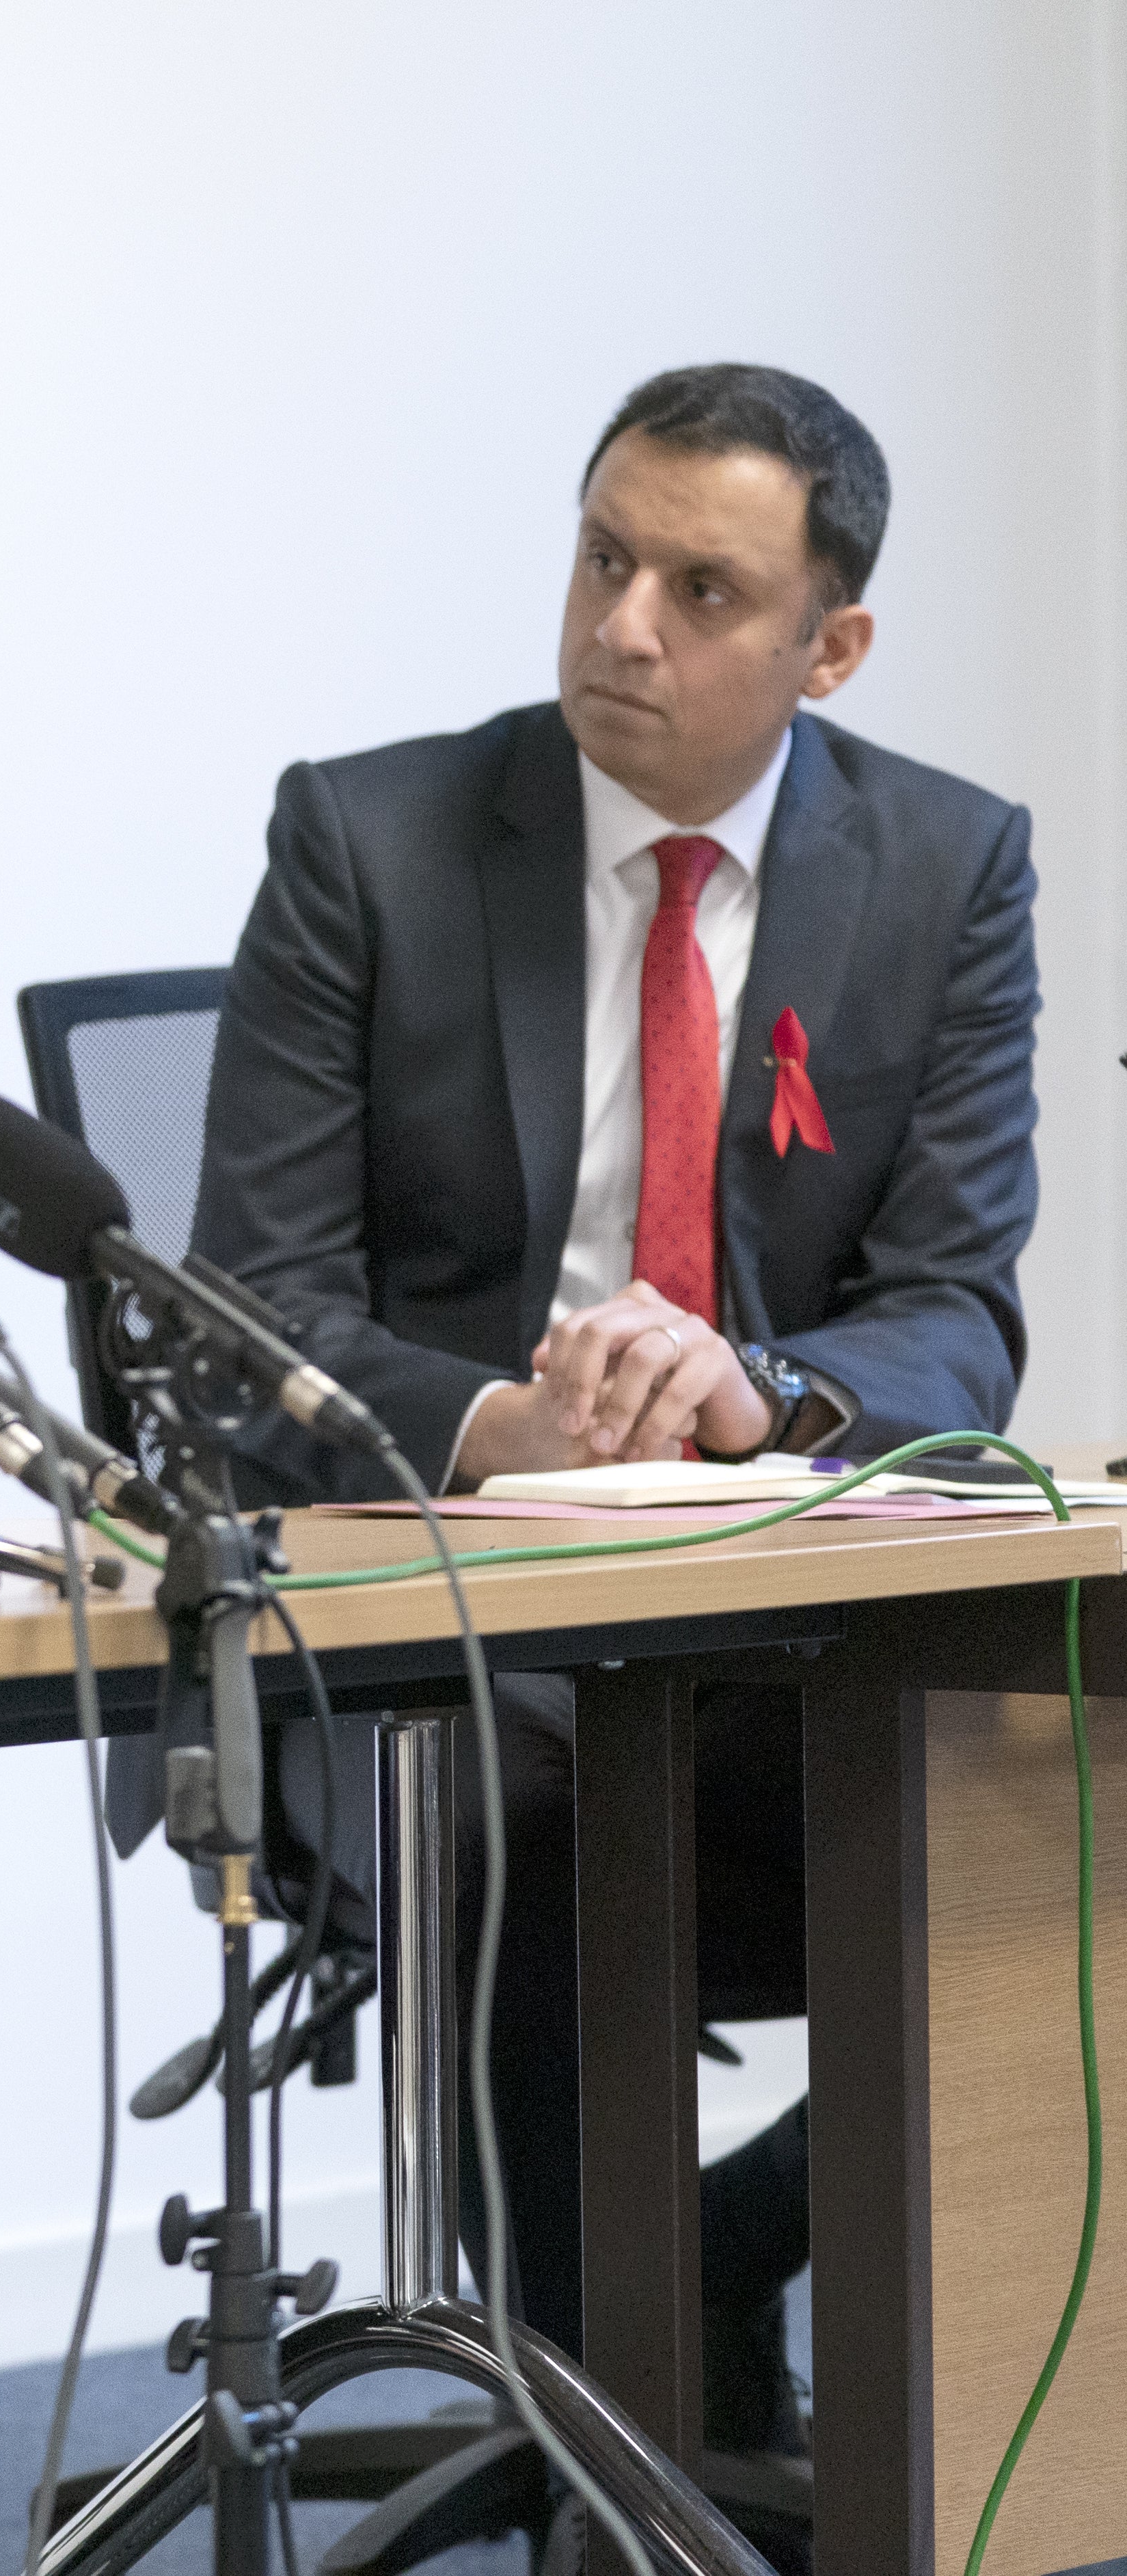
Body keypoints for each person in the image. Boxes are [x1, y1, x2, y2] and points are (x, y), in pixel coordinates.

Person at [191, 364, 1037, 2457]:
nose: (618, 626)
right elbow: (245, 1318)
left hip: (767, 1622)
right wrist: (507, 1421)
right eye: (598, 557)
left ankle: (741, 2244)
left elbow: (949, 1316)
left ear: (825, 646)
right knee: (534, 1814)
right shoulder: (368, 840)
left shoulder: (943, 867)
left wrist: (761, 1396)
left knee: (1065, 1766)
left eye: (696, 586)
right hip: (425, 1640)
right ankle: (624, 2456)